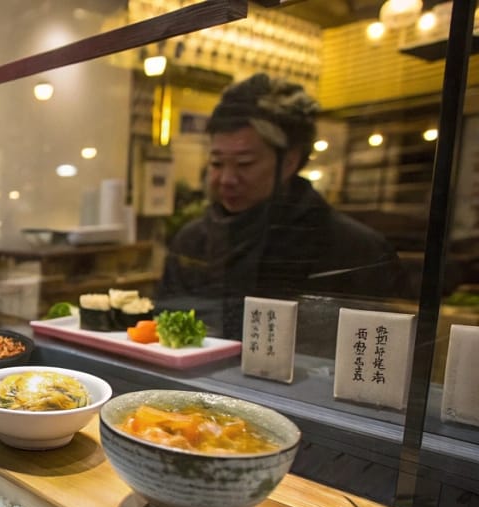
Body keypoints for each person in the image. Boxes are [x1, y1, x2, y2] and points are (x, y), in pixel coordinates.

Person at [157, 73, 409, 340]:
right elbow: (164, 332)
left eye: (244, 163)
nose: (227, 179)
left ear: (289, 162)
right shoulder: (191, 243)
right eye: (217, 163)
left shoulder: (356, 250)